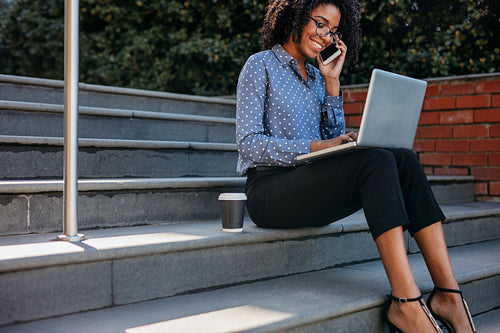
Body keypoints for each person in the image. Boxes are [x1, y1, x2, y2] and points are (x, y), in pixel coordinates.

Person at [235, 0, 477, 332]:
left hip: (309, 185)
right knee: (376, 161)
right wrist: (316, 146)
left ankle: (448, 294)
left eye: (333, 31)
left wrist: (332, 83)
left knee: (402, 158)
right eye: (320, 24)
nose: (325, 37)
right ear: (295, 15)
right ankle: (405, 302)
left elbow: (336, 145)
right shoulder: (259, 65)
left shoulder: (318, 79)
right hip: (269, 192)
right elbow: (248, 143)